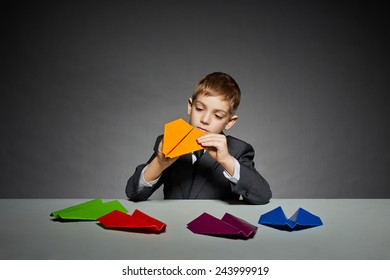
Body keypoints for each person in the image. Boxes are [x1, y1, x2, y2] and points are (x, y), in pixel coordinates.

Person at [126, 72, 271, 204]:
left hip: (216, 230)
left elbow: (262, 196)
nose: (205, 119)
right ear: (190, 106)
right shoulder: (168, 140)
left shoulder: (238, 150)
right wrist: (159, 163)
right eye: (200, 109)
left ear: (229, 122)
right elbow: (133, 193)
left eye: (218, 116)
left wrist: (227, 160)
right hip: (175, 227)